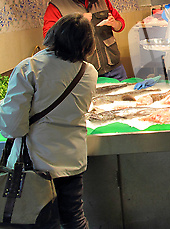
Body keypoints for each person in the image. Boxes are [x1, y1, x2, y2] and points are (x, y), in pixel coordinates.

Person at [0, 14, 98, 228]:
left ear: (54, 35)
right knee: (74, 218)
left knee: (39, 221)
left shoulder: (29, 68)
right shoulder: (89, 71)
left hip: (36, 163)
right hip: (72, 161)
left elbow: (13, 126)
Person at [43, 0, 127, 81]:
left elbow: (120, 24)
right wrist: (76, 23)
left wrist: (115, 23)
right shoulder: (57, 6)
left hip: (114, 67)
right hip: (82, 72)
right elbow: (49, 39)